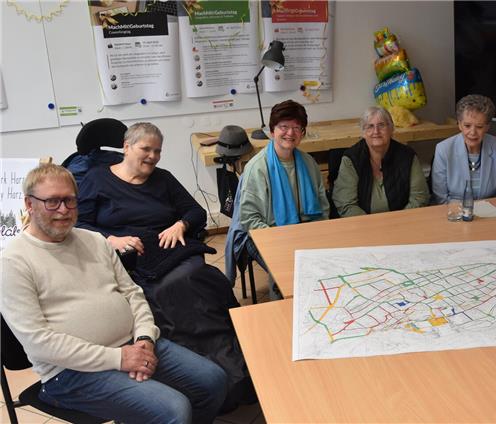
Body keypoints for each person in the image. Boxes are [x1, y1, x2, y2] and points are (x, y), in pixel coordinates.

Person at [1, 164, 227, 423]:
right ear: (29, 204)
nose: (63, 210)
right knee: (173, 409)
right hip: (70, 372)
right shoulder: (13, 262)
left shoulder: (95, 240)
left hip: (134, 344)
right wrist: (120, 358)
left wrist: (145, 339)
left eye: (70, 200)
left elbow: (133, 293)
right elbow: (39, 342)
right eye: (52, 201)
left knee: (213, 381)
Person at [77, 122, 211, 292]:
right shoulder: (97, 178)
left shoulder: (164, 178)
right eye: (146, 149)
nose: (153, 156)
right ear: (127, 147)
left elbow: (196, 211)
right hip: (123, 255)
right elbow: (79, 224)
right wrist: (110, 239)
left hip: (167, 250)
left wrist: (181, 225)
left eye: (157, 151)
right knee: (167, 288)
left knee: (201, 279)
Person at [224, 100, 329, 294]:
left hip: (304, 229)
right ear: (272, 131)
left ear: (302, 133)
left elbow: (322, 206)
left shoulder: (309, 163)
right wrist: (284, 240)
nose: (290, 133)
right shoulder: (257, 168)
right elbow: (250, 219)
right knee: (288, 269)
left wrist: (316, 235)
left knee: (327, 266)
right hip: (265, 233)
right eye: (284, 127)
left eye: (297, 128)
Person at [332, 106, 429, 217]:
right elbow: (346, 204)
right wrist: (370, 226)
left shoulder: (407, 156)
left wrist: (399, 222)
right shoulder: (351, 159)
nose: (376, 131)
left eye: (381, 125)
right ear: (363, 132)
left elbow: (419, 197)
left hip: (403, 223)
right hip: (362, 226)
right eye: (370, 126)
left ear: (391, 129)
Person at [431, 94, 496, 204]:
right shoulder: (443, 149)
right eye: (467, 126)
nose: (473, 132)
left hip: (491, 214)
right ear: (459, 124)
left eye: (479, 127)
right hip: (453, 214)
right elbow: (440, 197)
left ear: (487, 126)